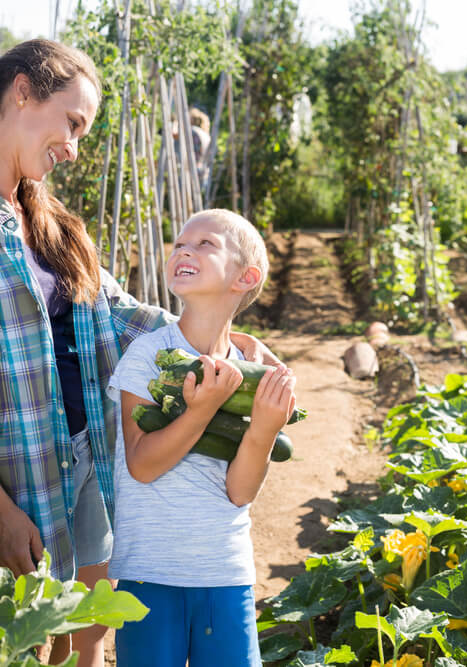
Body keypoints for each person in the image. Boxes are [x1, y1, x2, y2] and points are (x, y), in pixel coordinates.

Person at [0, 40, 275, 666]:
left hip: (88, 459)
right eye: (72, 122)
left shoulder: (46, 218)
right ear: (20, 92)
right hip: (18, 479)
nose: (73, 146)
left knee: (89, 642)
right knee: (32, 645)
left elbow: (115, 314)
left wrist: (212, 335)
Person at [108, 208, 296, 667]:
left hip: (225, 570)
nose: (184, 250)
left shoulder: (255, 375)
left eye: (205, 244)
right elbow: (142, 464)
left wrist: (266, 432)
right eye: (180, 245)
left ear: (244, 277)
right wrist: (205, 408)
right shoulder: (149, 355)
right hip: (150, 572)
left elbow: (239, 491)